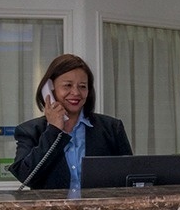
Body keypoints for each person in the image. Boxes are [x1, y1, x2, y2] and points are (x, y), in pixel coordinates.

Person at [10, 53, 132, 189]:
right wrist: (53, 131)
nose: (76, 92)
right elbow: (26, 177)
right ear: (50, 89)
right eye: (67, 85)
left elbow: (129, 176)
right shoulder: (30, 131)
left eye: (82, 86)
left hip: (101, 209)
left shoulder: (111, 128)